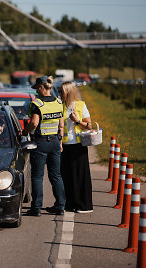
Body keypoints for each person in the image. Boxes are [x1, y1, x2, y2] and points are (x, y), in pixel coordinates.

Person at [22, 76, 66, 216]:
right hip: (54, 142)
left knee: (37, 176)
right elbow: (61, 124)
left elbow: (34, 123)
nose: (36, 92)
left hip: (40, 143)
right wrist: (60, 142)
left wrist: (24, 131)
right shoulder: (58, 102)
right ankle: (60, 206)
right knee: (56, 176)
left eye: (37, 89)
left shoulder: (38, 104)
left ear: (41, 87)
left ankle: (36, 208)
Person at [59, 81, 93, 213]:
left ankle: (84, 205)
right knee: (66, 176)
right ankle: (70, 204)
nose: (60, 94)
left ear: (68, 92)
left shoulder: (81, 105)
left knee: (80, 176)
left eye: (62, 91)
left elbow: (89, 126)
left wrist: (77, 121)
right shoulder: (60, 106)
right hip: (65, 146)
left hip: (78, 145)